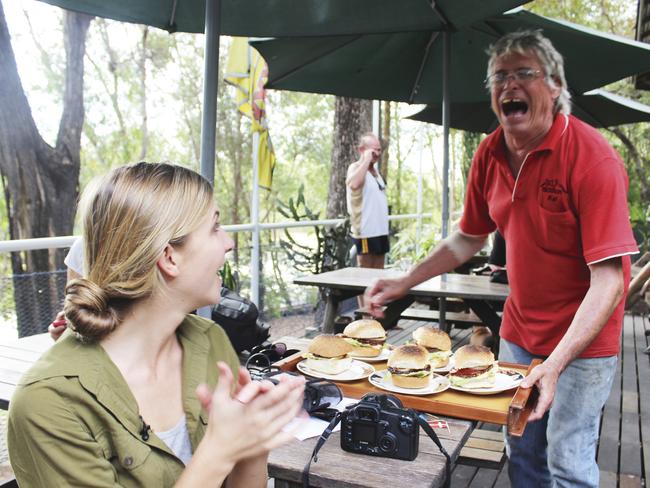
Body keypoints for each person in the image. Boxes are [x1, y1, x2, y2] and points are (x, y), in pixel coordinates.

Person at [367, 30, 638, 487]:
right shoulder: (490, 153)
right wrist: (403, 282)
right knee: (523, 451)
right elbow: (468, 238)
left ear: (554, 86)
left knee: (568, 462)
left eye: (524, 74)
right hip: (519, 333)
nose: (509, 85)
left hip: (584, 344)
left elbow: (610, 281)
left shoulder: (592, 158)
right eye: (499, 77)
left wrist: (554, 365)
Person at [8, 162, 305, 487]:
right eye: (214, 228)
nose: (228, 243)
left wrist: (253, 440)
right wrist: (219, 451)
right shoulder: (49, 402)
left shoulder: (210, 341)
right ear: (169, 258)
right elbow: (219, 456)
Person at [346, 133, 389, 270]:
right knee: (365, 274)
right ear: (361, 150)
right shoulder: (356, 167)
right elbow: (354, 184)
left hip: (381, 231)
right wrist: (366, 160)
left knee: (379, 272)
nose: (376, 153)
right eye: (373, 150)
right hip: (366, 231)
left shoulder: (375, 172)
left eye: (379, 150)